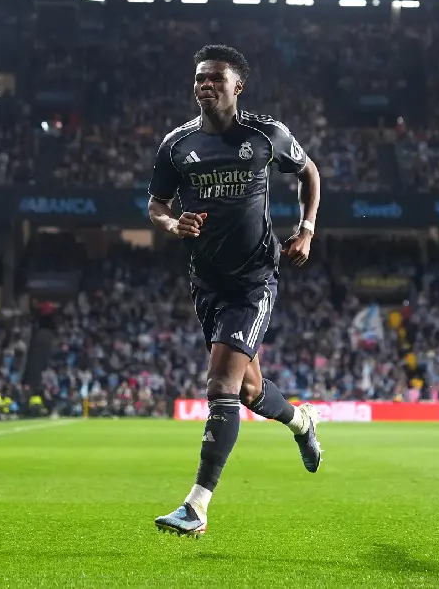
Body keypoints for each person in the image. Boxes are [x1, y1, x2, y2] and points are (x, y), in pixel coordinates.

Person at [148, 44, 324, 537]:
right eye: (200, 78)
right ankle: (302, 423)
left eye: (215, 79)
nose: (205, 85)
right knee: (247, 390)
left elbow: (308, 171)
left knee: (220, 385)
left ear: (237, 87)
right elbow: (157, 205)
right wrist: (171, 224)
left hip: (253, 279)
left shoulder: (266, 134)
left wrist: (306, 228)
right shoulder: (177, 144)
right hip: (206, 280)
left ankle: (196, 507)